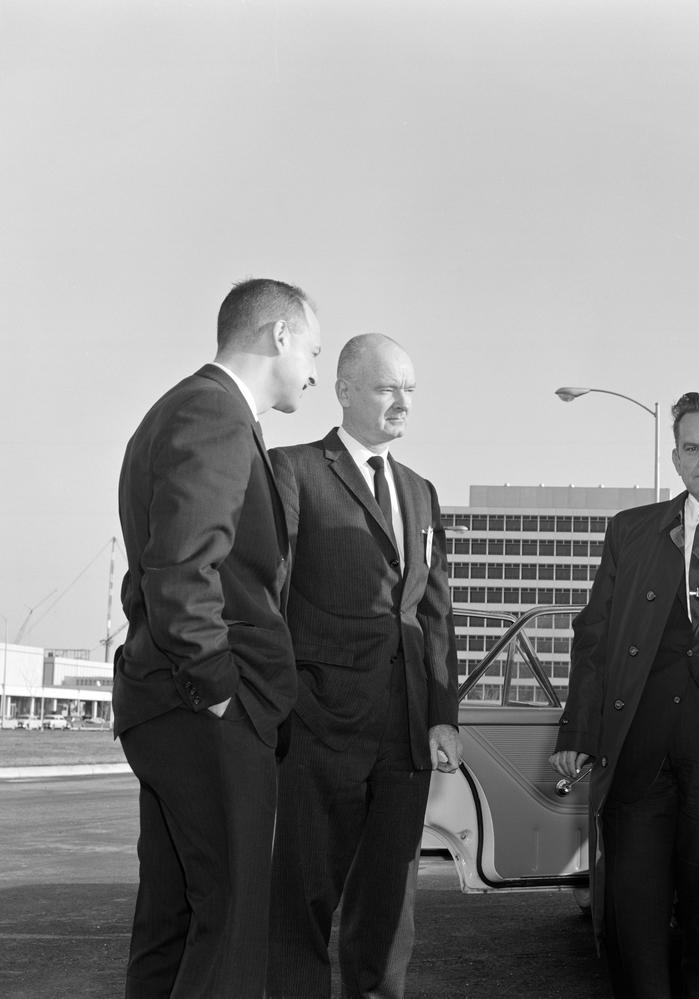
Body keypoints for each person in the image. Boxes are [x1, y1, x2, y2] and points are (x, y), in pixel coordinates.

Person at [114, 278, 321, 998]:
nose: (314, 374)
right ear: (279, 336)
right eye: (313, 351)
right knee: (231, 926)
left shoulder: (182, 410)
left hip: (168, 705)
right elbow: (180, 568)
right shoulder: (214, 415)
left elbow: (155, 568)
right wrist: (220, 694)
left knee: (172, 920)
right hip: (202, 709)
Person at [550, 391, 699, 999]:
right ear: (675, 457)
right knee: (634, 922)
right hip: (637, 756)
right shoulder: (631, 531)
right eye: (690, 447)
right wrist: (577, 733)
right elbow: (593, 637)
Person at [267, 333, 461, 999]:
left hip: (405, 738)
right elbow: (267, 594)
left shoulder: (421, 490)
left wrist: (443, 715)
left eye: (410, 388)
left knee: (387, 916)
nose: (402, 401)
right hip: (317, 730)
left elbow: (436, 612)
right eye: (386, 387)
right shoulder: (291, 469)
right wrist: (282, 705)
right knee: (300, 910)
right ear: (346, 389)